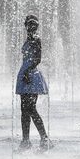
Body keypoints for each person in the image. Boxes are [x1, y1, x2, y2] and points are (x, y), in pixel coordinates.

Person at [15, 15, 51, 150]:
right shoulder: (28, 39)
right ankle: (26, 141)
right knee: (24, 110)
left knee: (31, 108)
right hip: (24, 74)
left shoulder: (36, 39)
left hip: (31, 75)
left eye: (32, 25)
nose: (29, 27)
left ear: (36, 26)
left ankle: (44, 139)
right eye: (28, 25)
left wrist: (27, 71)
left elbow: (38, 59)